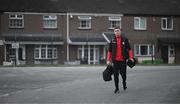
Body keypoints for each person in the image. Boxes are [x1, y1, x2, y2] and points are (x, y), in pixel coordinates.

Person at [107, 27, 133, 94]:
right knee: (115, 75)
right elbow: (109, 51)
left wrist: (131, 57)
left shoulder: (125, 39)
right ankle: (117, 88)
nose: (117, 32)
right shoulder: (112, 40)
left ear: (120, 31)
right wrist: (108, 60)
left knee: (123, 74)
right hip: (115, 61)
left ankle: (124, 82)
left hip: (123, 61)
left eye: (118, 31)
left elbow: (129, 49)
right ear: (114, 32)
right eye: (115, 31)